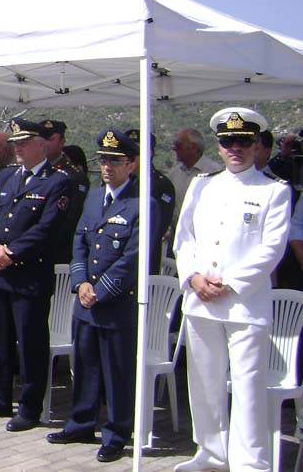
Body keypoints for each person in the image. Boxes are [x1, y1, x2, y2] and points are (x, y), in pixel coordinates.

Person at [173, 107, 291, 472]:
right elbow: (184, 238)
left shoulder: (274, 191)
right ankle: (211, 454)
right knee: (204, 383)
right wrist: (193, 277)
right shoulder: (202, 185)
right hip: (200, 301)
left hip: (245, 304)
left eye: (243, 141)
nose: (235, 149)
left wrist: (229, 283)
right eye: (228, 142)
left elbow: (272, 249)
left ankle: (250, 463)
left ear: (256, 145)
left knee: (248, 388)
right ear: (219, 146)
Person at [47, 129, 151, 464]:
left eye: (115, 161)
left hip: (115, 302)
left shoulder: (141, 203)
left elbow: (133, 257)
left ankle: (117, 433)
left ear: (132, 164)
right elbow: (79, 242)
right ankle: (81, 423)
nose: (107, 167)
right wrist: (80, 283)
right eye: (104, 160)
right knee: (85, 365)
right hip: (86, 300)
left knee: (117, 372)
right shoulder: (94, 197)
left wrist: (101, 291)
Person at [0, 117, 71, 429]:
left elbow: (48, 229)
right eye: (15, 143)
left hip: (29, 274)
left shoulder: (58, 181)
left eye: (24, 143)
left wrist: (11, 252)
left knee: (30, 344)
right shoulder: (6, 176)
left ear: (41, 146)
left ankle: (30, 408)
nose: (18, 148)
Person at [126, 128, 175, 274]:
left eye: (135, 150)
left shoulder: (161, 185)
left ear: (149, 152)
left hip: (143, 259)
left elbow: (157, 228)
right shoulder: (120, 182)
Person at [40, 119, 89, 265]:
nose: (45, 143)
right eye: (41, 138)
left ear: (62, 142)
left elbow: (70, 219)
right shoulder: (31, 171)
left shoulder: (74, 176)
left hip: (58, 252)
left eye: (50, 139)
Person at [168, 127, 221, 224]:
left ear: (193, 147)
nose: (174, 148)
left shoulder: (216, 173)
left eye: (178, 145)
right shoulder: (173, 175)